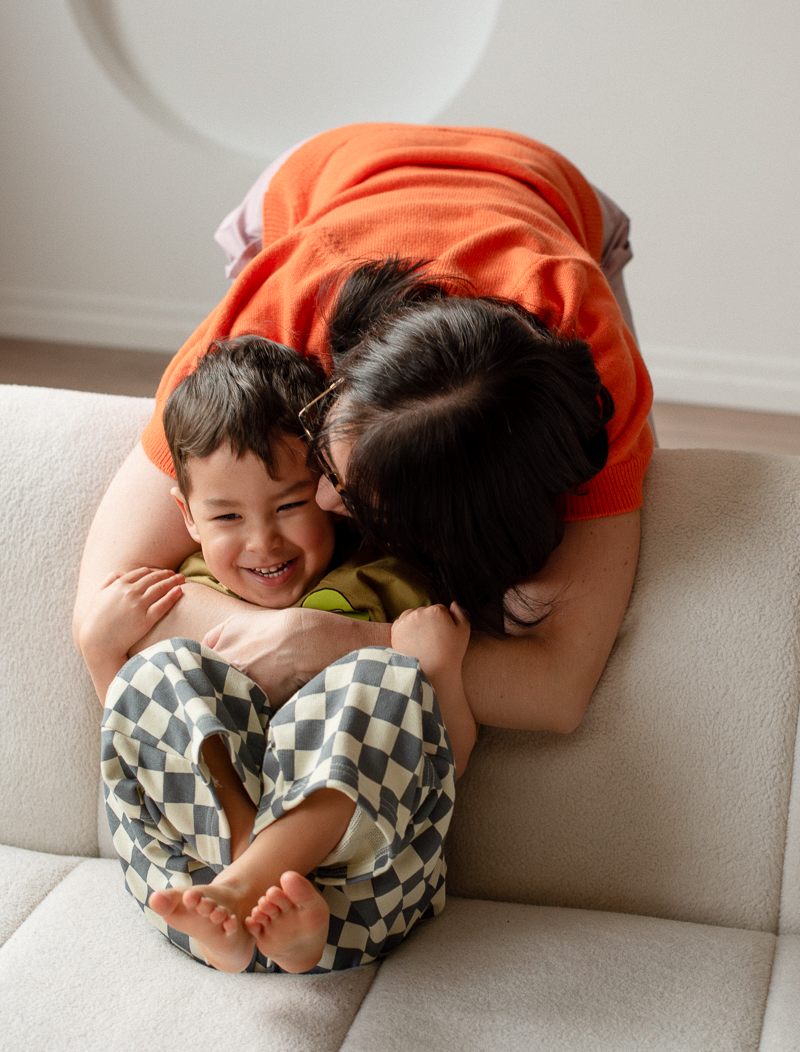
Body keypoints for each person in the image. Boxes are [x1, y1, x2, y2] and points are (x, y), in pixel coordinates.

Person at [74, 122, 654, 745]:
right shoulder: (273, 326)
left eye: (349, 493)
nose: (321, 495)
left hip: (549, 191)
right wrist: (286, 632)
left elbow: (557, 690)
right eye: (324, 451)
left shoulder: (598, 379)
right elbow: (107, 602)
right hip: (332, 173)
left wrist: (335, 640)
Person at [80, 335, 476, 972]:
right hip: (193, 886)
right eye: (227, 518)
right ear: (187, 517)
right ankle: (251, 890)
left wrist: (442, 670)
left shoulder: (385, 588)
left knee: (384, 673)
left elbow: (444, 758)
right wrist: (102, 653)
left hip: (364, 898)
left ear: (330, 491)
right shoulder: (181, 597)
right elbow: (148, 745)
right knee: (157, 669)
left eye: (289, 505)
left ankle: (256, 884)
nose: (263, 542)